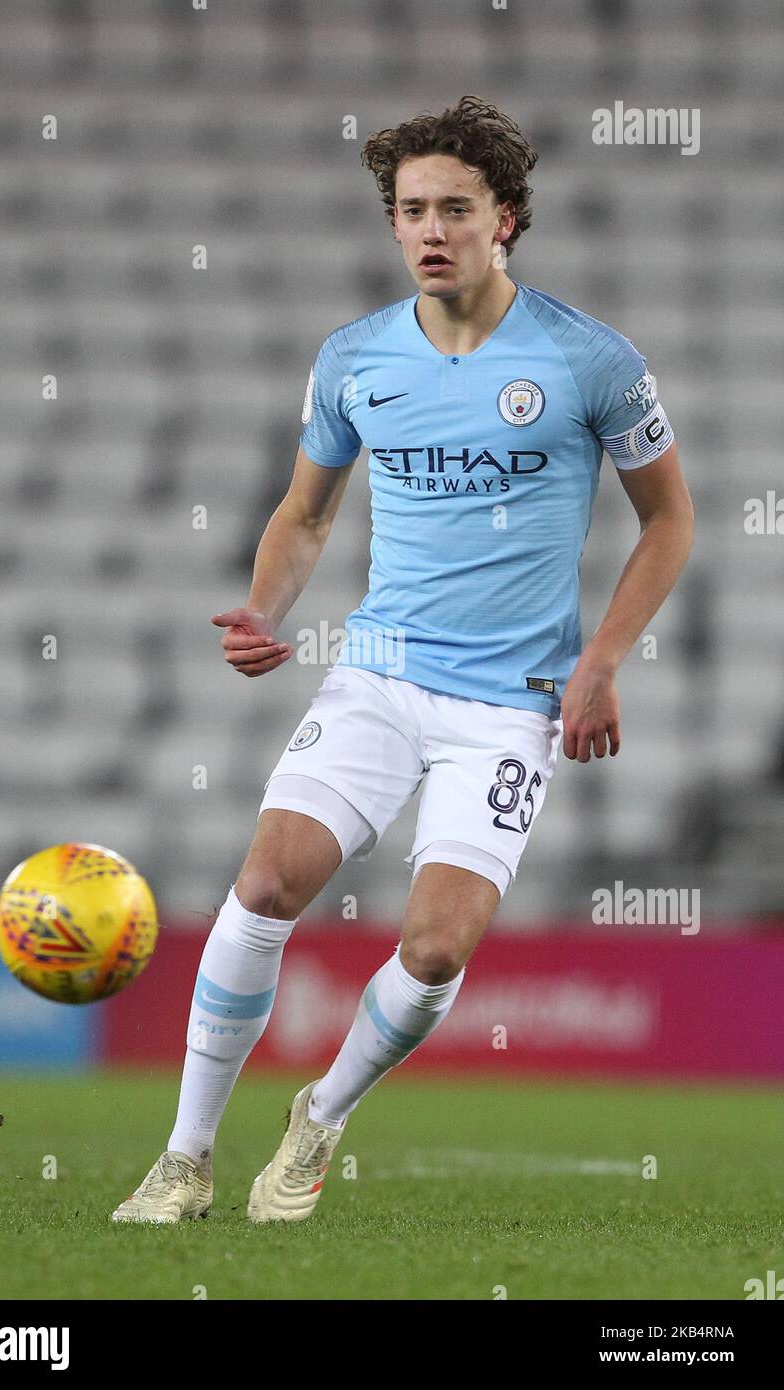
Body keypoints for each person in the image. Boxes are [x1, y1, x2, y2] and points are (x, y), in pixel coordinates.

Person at [111, 94, 694, 1225]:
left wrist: (601, 661)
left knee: (431, 952)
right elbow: (305, 512)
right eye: (410, 210)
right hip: (379, 673)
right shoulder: (353, 360)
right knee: (268, 879)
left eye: (454, 209)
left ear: (505, 220)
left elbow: (668, 521)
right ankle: (183, 1158)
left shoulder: (589, 361)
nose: (429, 228)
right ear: (392, 225)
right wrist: (265, 607)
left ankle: (318, 1116)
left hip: (510, 705)